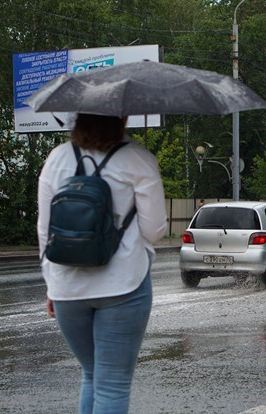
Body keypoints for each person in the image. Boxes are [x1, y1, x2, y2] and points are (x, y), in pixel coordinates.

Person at [37, 113, 167, 413]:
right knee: (112, 386)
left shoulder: (56, 158)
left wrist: (51, 285)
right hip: (123, 287)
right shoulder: (137, 157)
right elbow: (155, 230)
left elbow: (45, 232)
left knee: (92, 375)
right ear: (121, 117)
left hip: (66, 288)